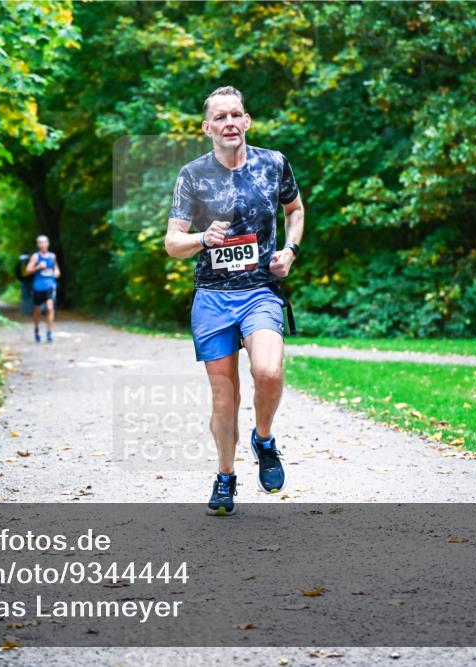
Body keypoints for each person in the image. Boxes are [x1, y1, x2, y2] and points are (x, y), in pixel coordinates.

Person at [164, 86, 304, 516]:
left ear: (247, 121)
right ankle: (225, 476)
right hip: (212, 297)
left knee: (268, 369)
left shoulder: (273, 163)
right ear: (207, 127)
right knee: (224, 398)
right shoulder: (193, 175)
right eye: (220, 117)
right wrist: (201, 238)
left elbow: (295, 210)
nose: (229, 122)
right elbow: (172, 242)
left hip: (260, 290)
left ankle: (264, 439)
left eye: (236, 115)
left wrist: (290, 251)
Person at [25, 235, 60, 343]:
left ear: (48, 243)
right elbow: (27, 271)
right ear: (38, 245)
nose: (43, 245)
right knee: (38, 310)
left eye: (45, 242)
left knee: (50, 308)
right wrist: (38, 267)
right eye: (40, 243)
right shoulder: (35, 257)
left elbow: (56, 269)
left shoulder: (52, 256)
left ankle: (49, 332)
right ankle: (36, 330)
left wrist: (56, 272)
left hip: (50, 284)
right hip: (38, 286)